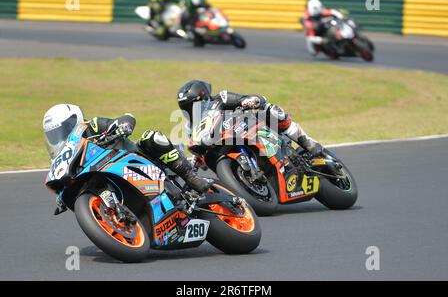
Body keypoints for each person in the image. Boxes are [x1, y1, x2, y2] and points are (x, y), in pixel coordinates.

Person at [42, 104, 210, 195]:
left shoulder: (90, 126)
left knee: (151, 136)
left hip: (139, 161)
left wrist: (123, 125)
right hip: (115, 178)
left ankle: (190, 177)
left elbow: (125, 117)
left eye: (63, 129)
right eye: (53, 135)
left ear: (74, 120)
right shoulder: (66, 158)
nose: (59, 137)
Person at [176, 80, 325, 159]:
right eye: (186, 108)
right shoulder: (191, 128)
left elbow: (252, 99)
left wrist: (250, 101)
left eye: (194, 105)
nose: (191, 110)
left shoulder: (222, 98)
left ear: (204, 97)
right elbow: (199, 154)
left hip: (250, 128)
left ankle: (307, 141)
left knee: (270, 110)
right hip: (226, 148)